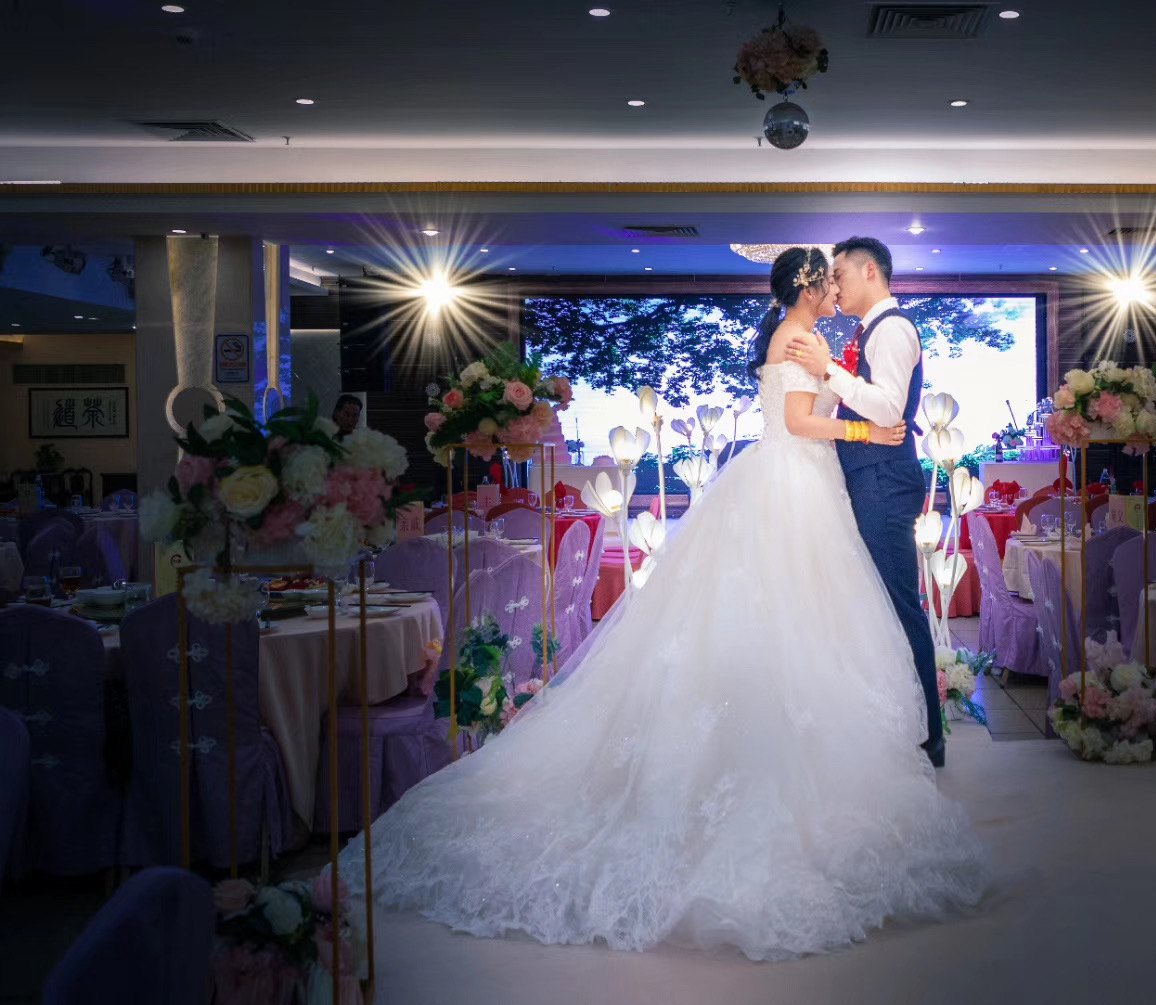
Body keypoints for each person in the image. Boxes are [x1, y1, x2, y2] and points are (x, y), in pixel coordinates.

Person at [340, 247, 988, 961]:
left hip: (806, 485)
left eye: (840, 277)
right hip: (794, 482)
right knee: (793, 612)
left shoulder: (814, 337)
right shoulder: (797, 339)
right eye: (826, 280)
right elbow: (800, 421)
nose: (835, 288)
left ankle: (847, 739)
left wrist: (850, 403)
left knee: (814, 617)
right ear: (809, 286)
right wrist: (863, 429)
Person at [784, 237, 945, 768]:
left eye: (840, 275)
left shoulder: (892, 330)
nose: (834, 285)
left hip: (883, 481)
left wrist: (829, 369)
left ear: (869, 270)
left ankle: (928, 737)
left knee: (898, 605)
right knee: (878, 604)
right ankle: (903, 724)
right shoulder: (870, 330)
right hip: (870, 476)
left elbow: (887, 409)